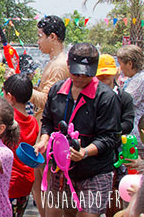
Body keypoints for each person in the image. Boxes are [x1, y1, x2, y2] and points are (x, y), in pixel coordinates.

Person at [34, 43, 121, 216]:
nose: (80, 78)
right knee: (57, 213)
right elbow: (48, 121)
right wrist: (44, 140)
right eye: (75, 73)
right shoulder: (57, 91)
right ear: (68, 66)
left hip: (94, 170)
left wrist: (85, 152)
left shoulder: (106, 97)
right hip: (61, 169)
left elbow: (110, 137)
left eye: (86, 74)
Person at [27, 15, 70, 216]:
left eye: (40, 36)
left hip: (48, 131)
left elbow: (47, 100)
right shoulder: (55, 62)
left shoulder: (60, 65)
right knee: (39, 181)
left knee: (44, 182)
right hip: (44, 127)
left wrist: (24, 90)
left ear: (52, 37)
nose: (38, 42)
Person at [96, 54, 135, 217]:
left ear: (116, 73)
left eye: (108, 74)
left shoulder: (124, 97)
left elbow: (129, 123)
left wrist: (111, 130)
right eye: (101, 75)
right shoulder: (92, 97)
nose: (105, 78)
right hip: (96, 153)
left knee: (116, 199)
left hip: (117, 153)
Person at [2, 73, 39, 217]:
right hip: (25, 182)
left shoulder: (7, 120)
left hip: (7, 183)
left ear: (10, 97)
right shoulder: (34, 122)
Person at [117, 45, 144, 147]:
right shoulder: (132, 78)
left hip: (135, 135)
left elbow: (123, 101)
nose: (120, 68)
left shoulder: (140, 80)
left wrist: (113, 81)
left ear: (130, 63)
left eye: (120, 64)